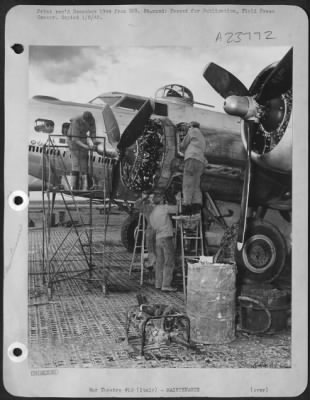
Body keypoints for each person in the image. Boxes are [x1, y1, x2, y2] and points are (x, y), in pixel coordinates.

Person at [149, 192, 177, 292]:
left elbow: (153, 227)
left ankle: (158, 283)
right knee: (169, 262)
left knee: (159, 262)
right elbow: (178, 209)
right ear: (161, 200)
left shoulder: (152, 213)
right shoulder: (164, 208)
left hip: (158, 238)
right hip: (166, 237)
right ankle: (166, 285)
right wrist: (177, 200)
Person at [179, 121, 206, 215]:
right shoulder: (202, 136)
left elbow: (183, 145)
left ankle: (186, 207)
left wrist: (179, 144)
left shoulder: (192, 131)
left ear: (191, 126)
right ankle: (196, 206)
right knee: (196, 185)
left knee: (187, 183)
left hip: (191, 159)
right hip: (200, 162)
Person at [67, 111, 96, 190]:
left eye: (89, 121)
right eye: (87, 122)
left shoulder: (92, 120)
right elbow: (75, 139)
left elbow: (93, 133)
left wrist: (92, 143)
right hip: (73, 142)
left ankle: (85, 187)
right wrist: (86, 147)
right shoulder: (76, 121)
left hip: (83, 140)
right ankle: (74, 187)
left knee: (84, 166)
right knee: (75, 165)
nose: (88, 123)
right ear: (84, 119)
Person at [134, 194, 156, 270]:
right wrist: (143, 198)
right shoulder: (147, 206)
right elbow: (136, 205)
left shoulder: (156, 205)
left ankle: (153, 262)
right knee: (151, 244)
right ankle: (152, 262)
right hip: (153, 230)